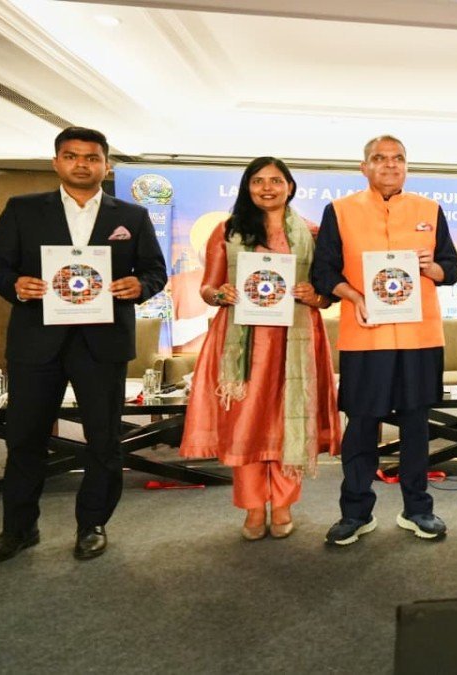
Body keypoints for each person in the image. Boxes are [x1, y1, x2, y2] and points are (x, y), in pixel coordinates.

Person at [0, 127, 167, 565]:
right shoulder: (23, 209)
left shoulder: (132, 216)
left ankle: (92, 525)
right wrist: (15, 284)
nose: (82, 164)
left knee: (104, 440)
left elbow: (155, 271)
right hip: (36, 341)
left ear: (106, 165)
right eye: (72, 156)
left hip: (102, 343)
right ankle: (18, 530)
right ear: (56, 162)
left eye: (92, 157)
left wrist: (140, 286)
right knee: (24, 438)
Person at [179, 157, 341, 540]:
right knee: (246, 425)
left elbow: (327, 294)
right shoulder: (227, 230)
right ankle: (253, 507)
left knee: (287, 424)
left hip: (295, 341)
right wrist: (220, 294)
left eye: (275, 180)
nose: (267, 188)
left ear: (290, 187)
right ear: (247, 187)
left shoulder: (313, 232)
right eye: (258, 181)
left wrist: (315, 296)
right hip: (243, 343)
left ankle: (283, 505)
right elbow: (208, 288)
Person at [311, 135, 457, 545]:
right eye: (380, 158)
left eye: (398, 158)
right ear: (364, 167)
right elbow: (323, 272)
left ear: (406, 166)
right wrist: (354, 296)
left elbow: (451, 269)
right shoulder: (339, 211)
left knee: (416, 426)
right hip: (365, 336)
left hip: (419, 336)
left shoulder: (430, 210)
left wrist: (432, 269)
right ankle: (355, 513)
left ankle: (418, 509)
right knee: (361, 426)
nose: (390, 164)